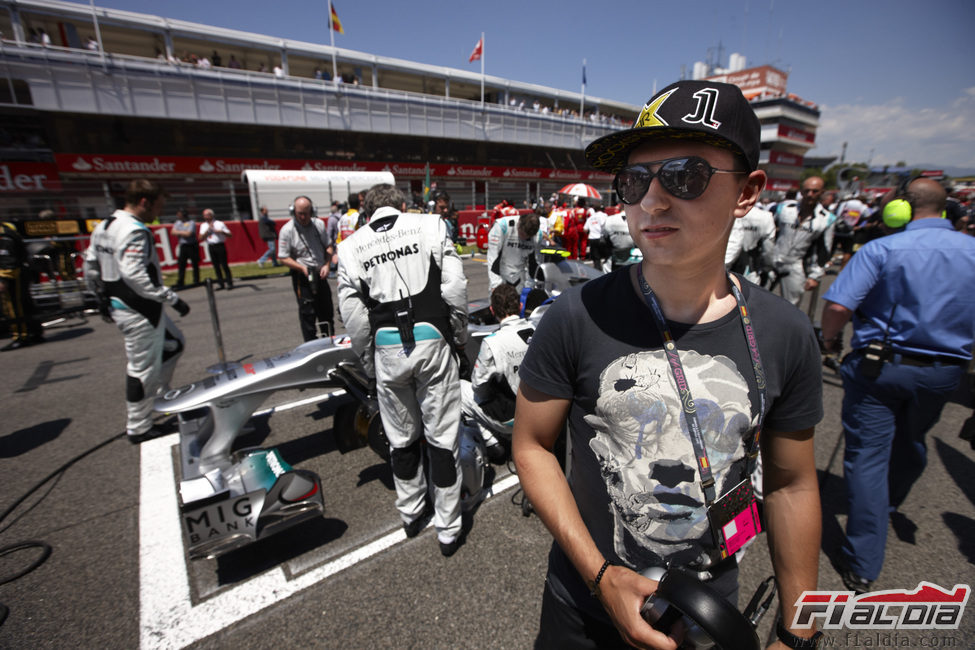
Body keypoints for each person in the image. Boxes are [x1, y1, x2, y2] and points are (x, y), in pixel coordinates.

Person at [513, 79, 823, 649]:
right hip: (582, 610)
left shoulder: (785, 333)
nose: (652, 201)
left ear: (747, 192)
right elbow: (532, 445)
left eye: (685, 176)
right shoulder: (577, 315)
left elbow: (791, 485)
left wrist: (800, 629)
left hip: (708, 613)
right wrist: (600, 575)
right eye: (634, 181)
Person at [820, 178, 975, 595]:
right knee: (914, 439)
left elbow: (837, 307)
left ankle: (864, 562)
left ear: (902, 209)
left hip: (880, 369)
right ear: (947, 209)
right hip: (946, 372)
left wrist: (830, 342)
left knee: (868, 457)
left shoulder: (882, 249)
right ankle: (889, 502)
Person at [337, 183, 469, 557]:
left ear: (367, 210)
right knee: (442, 440)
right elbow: (456, 287)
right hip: (433, 343)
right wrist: (458, 335)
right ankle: (448, 529)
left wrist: (370, 363)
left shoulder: (349, 248)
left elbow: (354, 318)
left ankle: (411, 514)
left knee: (401, 439)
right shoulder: (431, 225)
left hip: (386, 349)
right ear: (401, 205)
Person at [83, 179, 190, 443]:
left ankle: (161, 397)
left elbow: (90, 265)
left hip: (125, 304)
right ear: (145, 202)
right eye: (158, 207)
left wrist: (100, 296)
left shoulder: (105, 225)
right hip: (139, 309)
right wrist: (171, 298)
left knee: (174, 344)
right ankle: (139, 426)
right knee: (142, 369)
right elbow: (135, 275)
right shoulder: (134, 230)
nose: (158, 213)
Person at [460, 283, 534, 464]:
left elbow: (479, 387)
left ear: (492, 310)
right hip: (541, 412)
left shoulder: (493, 342)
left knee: (458, 389)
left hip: (512, 419)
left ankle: (492, 442)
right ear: (521, 306)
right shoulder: (539, 331)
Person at [768, 176, 835, 306]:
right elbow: (767, 232)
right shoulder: (784, 209)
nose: (810, 195)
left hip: (796, 265)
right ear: (801, 191)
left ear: (822, 192)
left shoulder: (826, 219)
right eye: (807, 191)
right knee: (755, 301)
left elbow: (824, 249)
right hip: (772, 260)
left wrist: (815, 275)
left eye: (815, 191)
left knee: (791, 307)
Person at [278, 196, 334, 341]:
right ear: (293, 212)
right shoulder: (287, 230)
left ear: (312, 211)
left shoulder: (319, 225)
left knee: (326, 312)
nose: (303, 217)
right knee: (307, 315)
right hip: (302, 277)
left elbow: (328, 246)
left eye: (306, 213)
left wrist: (327, 265)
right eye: (299, 213)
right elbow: (283, 257)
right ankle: (311, 346)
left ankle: (330, 342)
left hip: (320, 275)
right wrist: (301, 267)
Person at [0, 220, 44, 351]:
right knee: (25, 304)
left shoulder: (4, 235)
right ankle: (35, 332)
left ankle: (21, 336)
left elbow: (6, 258)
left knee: (14, 305)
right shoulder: (7, 230)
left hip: (13, 274)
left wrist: (3, 279)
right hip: (20, 272)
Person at [486, 211, 543, 292]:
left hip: (520, 277)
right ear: (519, 224)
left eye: (528, 236)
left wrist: (530, 284)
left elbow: (535, 261)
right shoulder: (502, 225)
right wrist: (495, 283)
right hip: (500, 273)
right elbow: (492, 256)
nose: (524, 238)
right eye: (522, 234)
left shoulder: (538, 235)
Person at [725, 204, 775, 285]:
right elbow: (768, 249)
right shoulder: (765, 217)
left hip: (726, 266)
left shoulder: (725, 212)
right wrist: (767, 268)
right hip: (750, 270)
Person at [199, 208, 233, 290]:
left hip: (220, 245)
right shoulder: (203, 225)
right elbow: (200, 237)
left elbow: (230, 234)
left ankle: (229, 282)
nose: (205, 217)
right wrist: (208, 230)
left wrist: (221, 232)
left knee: (224, 265)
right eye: (204, 215)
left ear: (211, 215)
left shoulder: (219, 223)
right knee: (216, 266)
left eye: (207, 215)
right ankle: (220, 283)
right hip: (211, 246)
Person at [171, 209, 200, 287]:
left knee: (195, 263)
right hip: (183, 246)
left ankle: (196, 280)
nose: (178, 216)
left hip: (192, 245)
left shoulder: (191, 223)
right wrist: (183, 232)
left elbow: (189, 234)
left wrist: (179, 232)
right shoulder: (177, 223)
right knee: (181, 264)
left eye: (179, 214)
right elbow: (172, 232)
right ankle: (180, 281)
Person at [583, 203, 608, 271]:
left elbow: (585, 229)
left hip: (592, 238)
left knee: (596, 258)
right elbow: (606, 225)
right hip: (601, 238)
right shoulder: (604, 215)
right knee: (607, 256)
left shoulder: (591, 217)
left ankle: (598, 272)